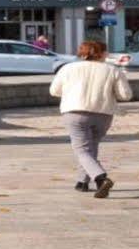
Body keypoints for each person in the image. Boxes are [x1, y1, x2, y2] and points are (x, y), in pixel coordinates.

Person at [49, 39, 132, 198]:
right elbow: (125, 95)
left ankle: (101, 178)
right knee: (91, 147)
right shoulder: (113, 70)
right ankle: (82, 182)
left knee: (82, 150)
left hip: (75, 112)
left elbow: (54, 91)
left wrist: (70, 92)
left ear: (82, 53)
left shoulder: (68, 68)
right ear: (102, 53)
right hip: (103, 113)